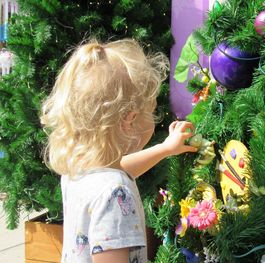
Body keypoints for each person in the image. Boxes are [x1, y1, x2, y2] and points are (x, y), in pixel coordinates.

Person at [40, 39, 198, 263]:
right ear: (130, 120)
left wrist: (165, 149)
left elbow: (122, 168)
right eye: (150, 112)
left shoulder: (79, 170)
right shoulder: (115, 192)